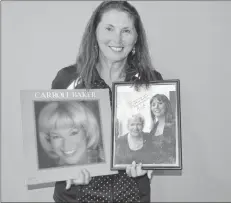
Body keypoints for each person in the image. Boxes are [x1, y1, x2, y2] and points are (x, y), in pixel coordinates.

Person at [51, 1, 163, 202]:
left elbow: (160, 139)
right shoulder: (67, 80)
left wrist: (154, 161)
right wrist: (64, 168)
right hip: (77, 197)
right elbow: (55, 138)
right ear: (95, 32)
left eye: (126, 30)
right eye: (109, 28)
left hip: (132, 196)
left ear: (137, 38)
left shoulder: (152, 83)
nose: (117, 39)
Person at [37, 101, 104, 168]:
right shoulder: (49, 175)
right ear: (49, 139)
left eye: (73, 133)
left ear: (87, 131)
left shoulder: (106, 165)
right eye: (56, 136)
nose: (66, 145)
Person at [149, 94, 176, 164]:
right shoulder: (153, 129)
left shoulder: (174, 125)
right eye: (153, 105)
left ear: (166, 106)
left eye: (160, 103)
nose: (156, 107)